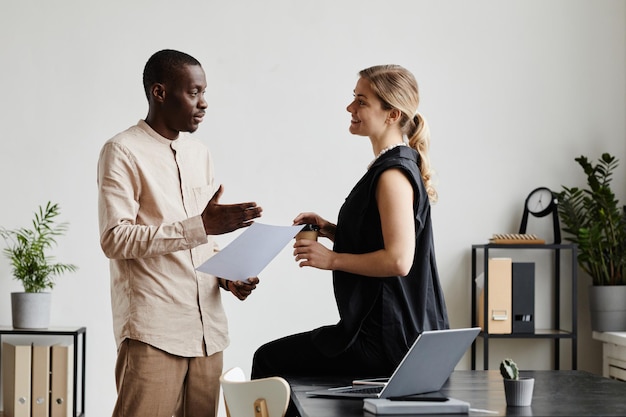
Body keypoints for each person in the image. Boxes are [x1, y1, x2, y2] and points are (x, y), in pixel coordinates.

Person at [252, 65, 449, 382]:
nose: (350, 108)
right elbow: (381, 237)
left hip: (385, 339)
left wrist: (332, 259)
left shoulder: (392, 175)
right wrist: (331, 230)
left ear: (392, 114)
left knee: (268, 361)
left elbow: (398, 260)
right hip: (389, 333)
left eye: (361, 101)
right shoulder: (394, 166)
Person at [97, 49, 263, 417]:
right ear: (159, 92)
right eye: (194, 92)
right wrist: (202, 226)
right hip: (154, 334)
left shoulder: (199, 153)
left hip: (209, 336)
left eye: (204, 93)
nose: (203, 103)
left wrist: (227, 276)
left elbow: (200, 239)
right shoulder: (122, 151)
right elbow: (115, 238)